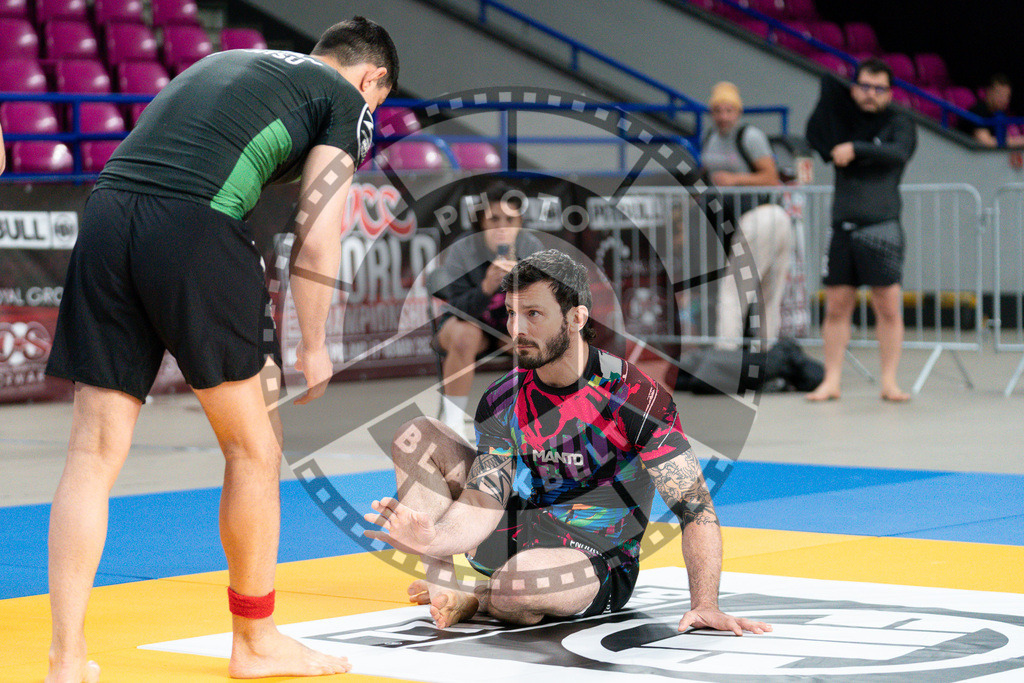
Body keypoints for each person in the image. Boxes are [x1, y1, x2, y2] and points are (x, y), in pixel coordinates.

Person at [42, 18, 398, 681]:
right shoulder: (347, 100)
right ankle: (255, 641)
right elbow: (319, 233)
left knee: (90, 452)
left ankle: (65, 659)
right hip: (194, 223)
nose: (371, 112)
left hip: (107, 214)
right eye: (377, 98)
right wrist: (315, 343)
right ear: (372, 77)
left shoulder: (234, 60)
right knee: (255, 448)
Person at [366, 250, 771, 635]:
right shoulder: (503, 397)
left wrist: (705, 604)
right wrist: (433, 538)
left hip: (594, 555)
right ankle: (445, 590)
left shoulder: (633, 396)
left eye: (533, 314)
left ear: (576, 318)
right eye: (511, 313)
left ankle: (480, 596)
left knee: (516, 585)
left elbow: (695, 507)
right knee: (417, 435)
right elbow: (483, 501)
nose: (516, 329)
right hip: (519, 528)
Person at [805, 58, 917, 402]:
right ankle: (831, 380)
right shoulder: (842, 120)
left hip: (882, 228)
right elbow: (816, 134)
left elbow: (899, 154)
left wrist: (856, 148)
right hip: (843, 227)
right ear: (855, 88)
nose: (871, 94)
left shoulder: (900, 121)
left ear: (890, 92)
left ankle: (889, 382)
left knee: (888, 307)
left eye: (879, 88)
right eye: (865, 87)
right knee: (836, 307)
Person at [432, 183, 544, 436]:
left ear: (520, 223)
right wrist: (485, 288)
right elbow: (455, 307)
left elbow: (545, 306)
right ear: (481, 222)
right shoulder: (463, 249)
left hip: (511, 330)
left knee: (543, 340)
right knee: (465, 335)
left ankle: (535, 422)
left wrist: (522, 285)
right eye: (494, 219)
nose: (501, 227)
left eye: (509, 219)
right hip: (471, 325)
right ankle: (453, 424)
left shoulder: (531, 248)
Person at [700, 81, 794, 348]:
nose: (723, 116)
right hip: (746, 220)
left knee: (734, 291)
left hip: (761, 216)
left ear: (738, 111)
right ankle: (766, 351)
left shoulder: (750, 137)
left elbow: (771, 177)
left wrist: (734, 179)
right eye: (718, 110)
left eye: (729, 110)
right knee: (766, 293)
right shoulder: (710, 138)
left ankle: (726, 353)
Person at [957, 74, 1024, 148]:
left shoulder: (1000, 114)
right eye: (1000, 94)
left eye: (1007, 96)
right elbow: (986, 142)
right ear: (989, 92)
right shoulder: (978, 111)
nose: (1004, 100)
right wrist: (1019, 141)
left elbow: (1006, 139)